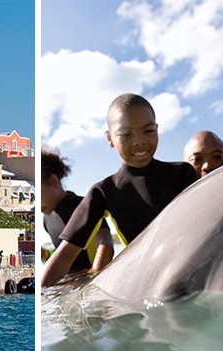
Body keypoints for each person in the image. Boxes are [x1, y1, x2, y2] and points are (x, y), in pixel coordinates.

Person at [41, 93, 198, 286]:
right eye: (126, 134)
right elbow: (65, 254)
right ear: (109, 138)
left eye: (148, 130)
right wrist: (42, 296)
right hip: (147, 283)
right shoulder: (104, 191)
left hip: (193, 271)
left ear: (157, 129)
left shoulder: (183, 174)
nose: (139, 140)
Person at [40, 150, 114, 281]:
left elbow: (105, 245)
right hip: (70, 285)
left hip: (90, 283)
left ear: (54, 181)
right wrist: (45, 255)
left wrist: (93, 279)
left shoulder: (83, 206)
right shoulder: (47, 219)